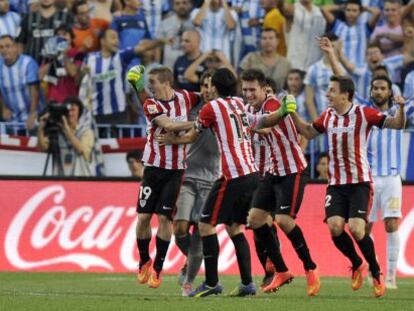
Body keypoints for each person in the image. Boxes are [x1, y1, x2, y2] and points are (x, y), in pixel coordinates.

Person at [155, 68, 298, 298]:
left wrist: (174, 139)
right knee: (235, 228)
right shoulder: (241, 105)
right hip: (252, 174)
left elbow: (192, 135)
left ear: (215, 87)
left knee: (205, 225)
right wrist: (282, 111)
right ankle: (247, 283)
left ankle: (211, 283)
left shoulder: (210, 108)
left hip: (232, 175)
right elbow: (261, 120)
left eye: (210, 85)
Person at [290, 43, 406, 297]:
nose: (328, 94)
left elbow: (397, 124)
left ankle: (376, 271)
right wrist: (292, 116)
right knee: (334, 227)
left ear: (345, 94)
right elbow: (309, 131)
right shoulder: (328, 115)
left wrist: (401, 109)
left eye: (332, 91)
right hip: (336, 183)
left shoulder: (364, 113)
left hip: (360, 181)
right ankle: (357, 263)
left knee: (356, 228)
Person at [241, 69, 320, 296]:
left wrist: (244, 124)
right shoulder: (248, 110)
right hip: (271, 172)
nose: (248, 94)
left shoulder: (274, 104)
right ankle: (282, 271)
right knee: (255, 219)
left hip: (293, 170)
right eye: (245, 89)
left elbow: (269, 122)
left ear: (264, 89)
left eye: (252, 89)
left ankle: (310, 267)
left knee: (283, 220)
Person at [127, 66, 199, 289]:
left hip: (176, 171)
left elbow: (207, 99)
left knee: (165, 219)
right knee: (143, 218)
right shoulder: (151, 104)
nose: (151, 89)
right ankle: (143, 259)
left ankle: (158, 267)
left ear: (167, 83)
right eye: (147, 85)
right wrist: (197, 124)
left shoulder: (186, 97)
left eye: (153, 84)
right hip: (152, 168)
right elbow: (168, 125)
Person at [354, 75, 414, 289]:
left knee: (391, 224)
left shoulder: (401, 109)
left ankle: (390, 275)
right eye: (375, 88)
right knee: (365, 227)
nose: (378, 92)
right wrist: (332, 54)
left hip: (391, 176)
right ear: (371, 91)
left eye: (382, 88)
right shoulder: (363, 109)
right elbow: (344, 80)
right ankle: (374, 266)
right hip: (368, 176)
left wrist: (402, 105)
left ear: (390, 91)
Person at [172, 70, 221, 297]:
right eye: (203, 85)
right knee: (179, 227)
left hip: (211, 178)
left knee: (200, 233)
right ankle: (190, 259)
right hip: (187, 176)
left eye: (211, 85)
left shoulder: (223, 110)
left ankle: (188, 282)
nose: (207, 89)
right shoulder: (192, 106)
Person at [37, 96, 96, 176]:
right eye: (68, 110)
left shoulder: (86, 132)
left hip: (81, 181)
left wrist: (66, 130)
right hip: (60, 181)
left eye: (73, 110)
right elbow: (42, 148)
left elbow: (81, 149)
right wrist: (40, 130)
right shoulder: (57, 131)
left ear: (79, 113)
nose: (70, 113)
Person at [321, 0, 381, 66]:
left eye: (354, 10)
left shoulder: (364, 28)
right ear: (344, 11)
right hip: (339, 68)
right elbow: (323, 9)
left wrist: (364, 8)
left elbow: (377, 13)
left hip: (358, 69)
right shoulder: (337, 25)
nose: (351, 13)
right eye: (348, 10)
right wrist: (341, 7)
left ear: (360, 12)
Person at [0, 35, 40, 132]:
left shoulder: (28, 63)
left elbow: (34, 91)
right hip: (12, 121)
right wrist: (3, 109)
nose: (4, 49)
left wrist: (32, 114)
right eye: (1, 47)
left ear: (15, 47)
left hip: (32, 118)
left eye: (8, 46)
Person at [279, 0, 327, 71]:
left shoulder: (321, 13)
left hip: (315, 69)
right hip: (294, 67)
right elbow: (281, 5)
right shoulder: (292, 9)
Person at [239, 28, 291, 93]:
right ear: (260, 40)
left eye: (271, 38)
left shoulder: (285, 63)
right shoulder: (250, 58)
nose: (267, 41)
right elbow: (240, 81)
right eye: (264, 38)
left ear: (277, 41)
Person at [157, 0, 195, 68]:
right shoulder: (165, 23)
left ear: (191, 5)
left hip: (191, 65)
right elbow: (158, 47)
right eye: (177, 4)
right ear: (173, 6)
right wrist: (157, 65)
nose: (181, 6)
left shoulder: (196, 22)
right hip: (169, 65)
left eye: (184, 3)